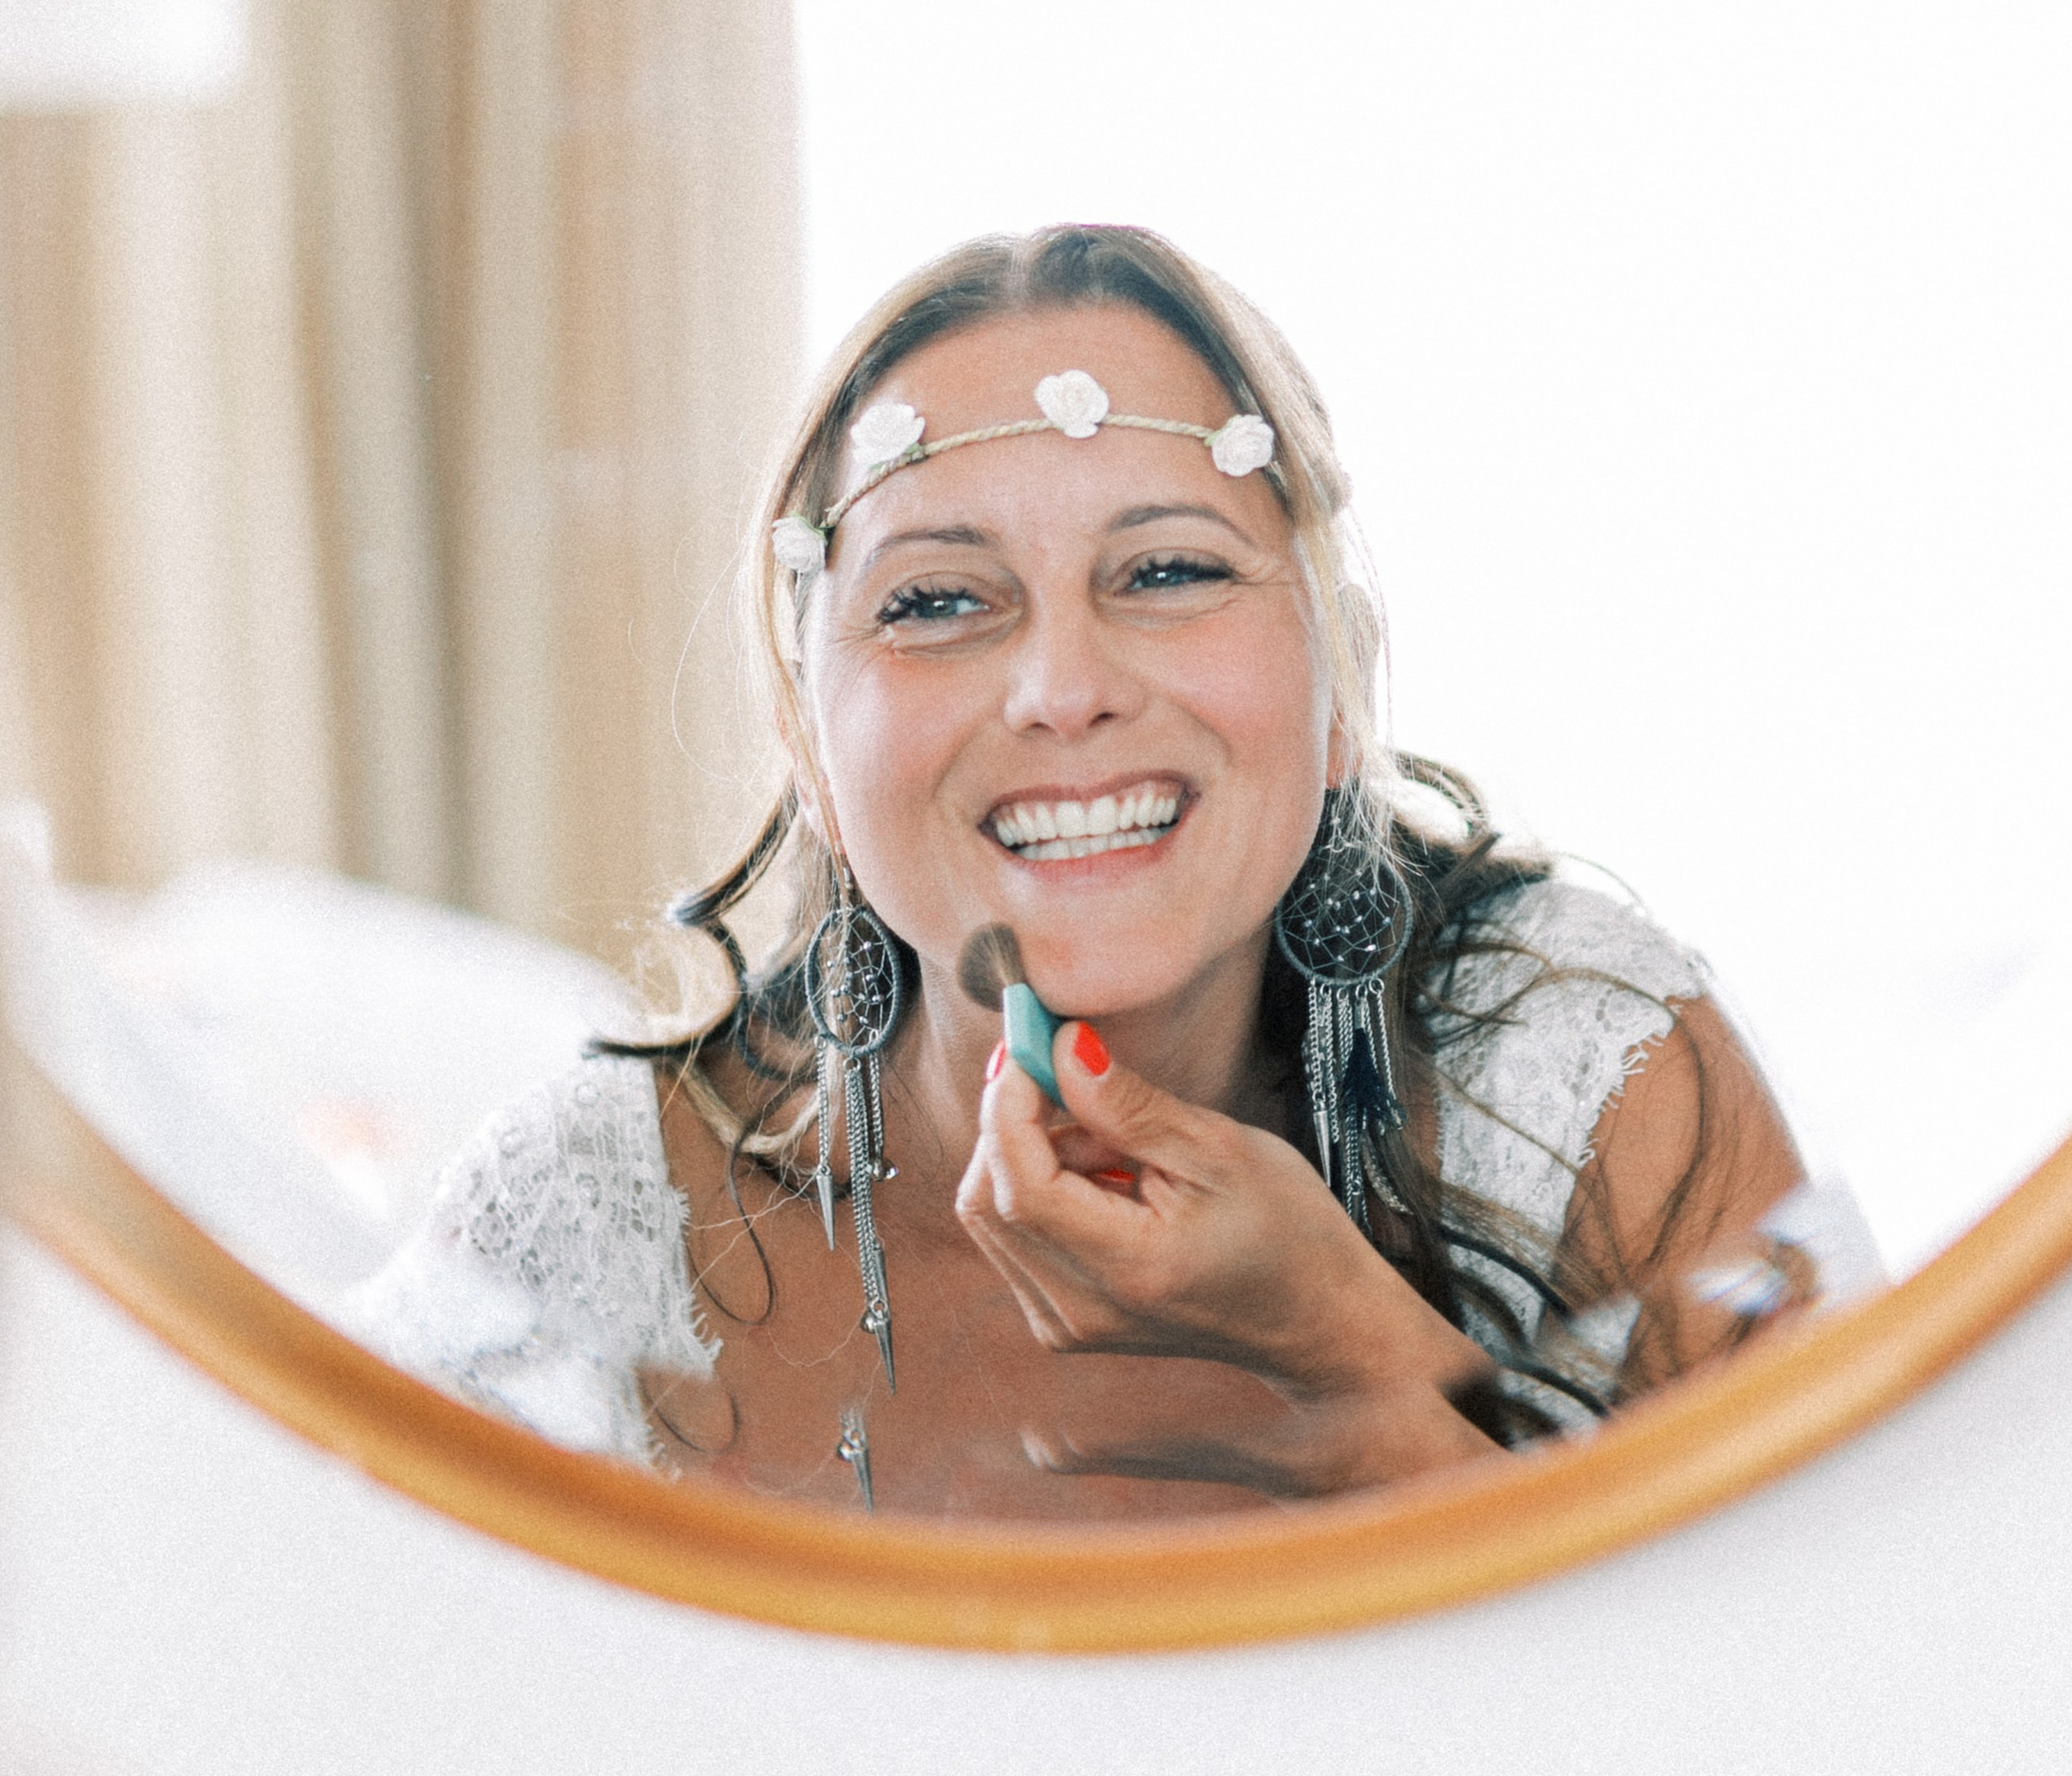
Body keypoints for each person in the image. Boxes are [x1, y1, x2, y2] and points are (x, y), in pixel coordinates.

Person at [350, 223, 1825, 1520]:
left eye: (1169, 571)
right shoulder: (588, 1221)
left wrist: (1360, 1361)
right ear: (808, 737)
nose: (1063, 687)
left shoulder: (1595, 1087)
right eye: (936, 598)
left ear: (1340, 686)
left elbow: (1864, 1704)